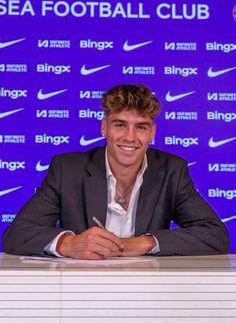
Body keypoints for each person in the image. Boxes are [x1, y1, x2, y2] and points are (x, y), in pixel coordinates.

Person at [2, 84, 229, 259]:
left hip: (148, 293)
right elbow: (16, 234)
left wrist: (145, 242)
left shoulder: (172, 170)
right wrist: (69, 244)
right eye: (120, 124)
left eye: (141, 127)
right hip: (78, 292)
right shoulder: (67, 169)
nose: (130, 137)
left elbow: (216, 235)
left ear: (152, 133)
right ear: (104, 127)